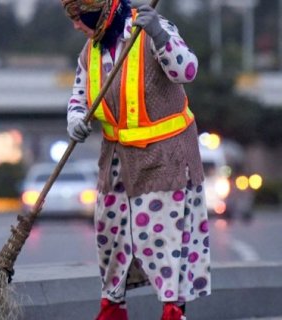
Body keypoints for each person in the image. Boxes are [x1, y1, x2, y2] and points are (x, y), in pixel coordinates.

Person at [61, 0, 211, 319]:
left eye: (78, 16)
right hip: (117, 160)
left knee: (164, 234)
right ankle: (113, 307)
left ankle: (173, 308)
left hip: (165, 155)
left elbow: (187, 69)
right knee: (111, 235)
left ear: (98, 11)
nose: (75, 24)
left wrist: (158, 32)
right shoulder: (91, 50)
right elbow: (79, 95)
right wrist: (76, 119)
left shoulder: (150, 30)